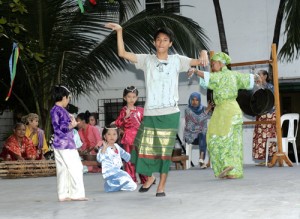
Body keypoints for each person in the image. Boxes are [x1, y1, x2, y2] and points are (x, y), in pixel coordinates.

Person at [105, 22, 209, 197]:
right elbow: (122, 53)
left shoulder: (177, 60)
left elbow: (200, 61)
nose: (161, 42)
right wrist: (120, 31)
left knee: (164, 151)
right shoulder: (147, 60)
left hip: (170, 114)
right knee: (141, 147)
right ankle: (150, 178)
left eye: (165, 40)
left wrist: (204, 52)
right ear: (154, 42)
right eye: (158, 40)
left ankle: (161, 185)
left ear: (170, 43)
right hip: (151, 113)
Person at [189, 52, 261, 179]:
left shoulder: (221, 76)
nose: (212, 66)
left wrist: (195, 71)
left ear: (220, 63)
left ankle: (228, 166)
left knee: (220, 139)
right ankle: (230, 170)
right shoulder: (234, 75)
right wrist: (256, 77)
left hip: (226, 112)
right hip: (229, 111)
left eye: (213, 63)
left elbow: (209, 78)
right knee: (228, 141)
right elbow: (248, 78)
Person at [50, 85, 87, 202]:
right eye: (68, 98)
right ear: (64, 97)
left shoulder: (55, 110)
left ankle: (63, 194)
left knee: (63, 169)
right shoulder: (59, 110)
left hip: (58, 144)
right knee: (76, 167)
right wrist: (73, 125)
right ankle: (76, 194)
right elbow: (61, 128)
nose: (69, 100)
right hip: (66, 144)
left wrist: (71, 121)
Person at [111, 86, 147, 184]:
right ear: (124, 98)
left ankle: (146, 179)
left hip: (140, 138)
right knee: (130, 160)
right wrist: (125, 117)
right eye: (129, 97)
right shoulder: (124, 110)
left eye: (133, 97)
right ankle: (131, 180)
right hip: (128, 139)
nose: (131, 99)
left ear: (137, 98)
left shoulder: (140, 110)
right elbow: (118, 123)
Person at [96, 125, 137, 192]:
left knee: (131, 184)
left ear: (117, 136)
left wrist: (134, 157)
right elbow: (99, 159)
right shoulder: (103, 148)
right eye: (109, 134)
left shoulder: (117, 146)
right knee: (125, 176)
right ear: (104, 136)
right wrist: (104, 149)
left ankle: (112, 186)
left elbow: (125, 155)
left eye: (114, 134)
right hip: (109, 171)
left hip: (117, 170)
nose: (112, 136)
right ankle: (113, 185)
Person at [184, 92, 214, 169]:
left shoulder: (203, 108)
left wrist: (212, 108)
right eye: (193, 100)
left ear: (199, 101)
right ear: (190, 100)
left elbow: (212, 114)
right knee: (203, 133)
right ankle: (202, 160)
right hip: (191, 136)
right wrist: (207, 110)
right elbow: (197, 119)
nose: (194, 102)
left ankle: (201, 159)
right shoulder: (188, 110)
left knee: (203, 134)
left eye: (197, 100)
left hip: (202, 136)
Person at [252, 70, 276, 163]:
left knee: (269, 136)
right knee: (260, 137)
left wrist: (261, 86)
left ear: (265, 76)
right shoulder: (256, 87)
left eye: (259, 75)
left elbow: (270, 100)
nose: (258, 76)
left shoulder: (270, 87)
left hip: (269, 114)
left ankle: (271, 158)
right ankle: (264, 158)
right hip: (261, 115)